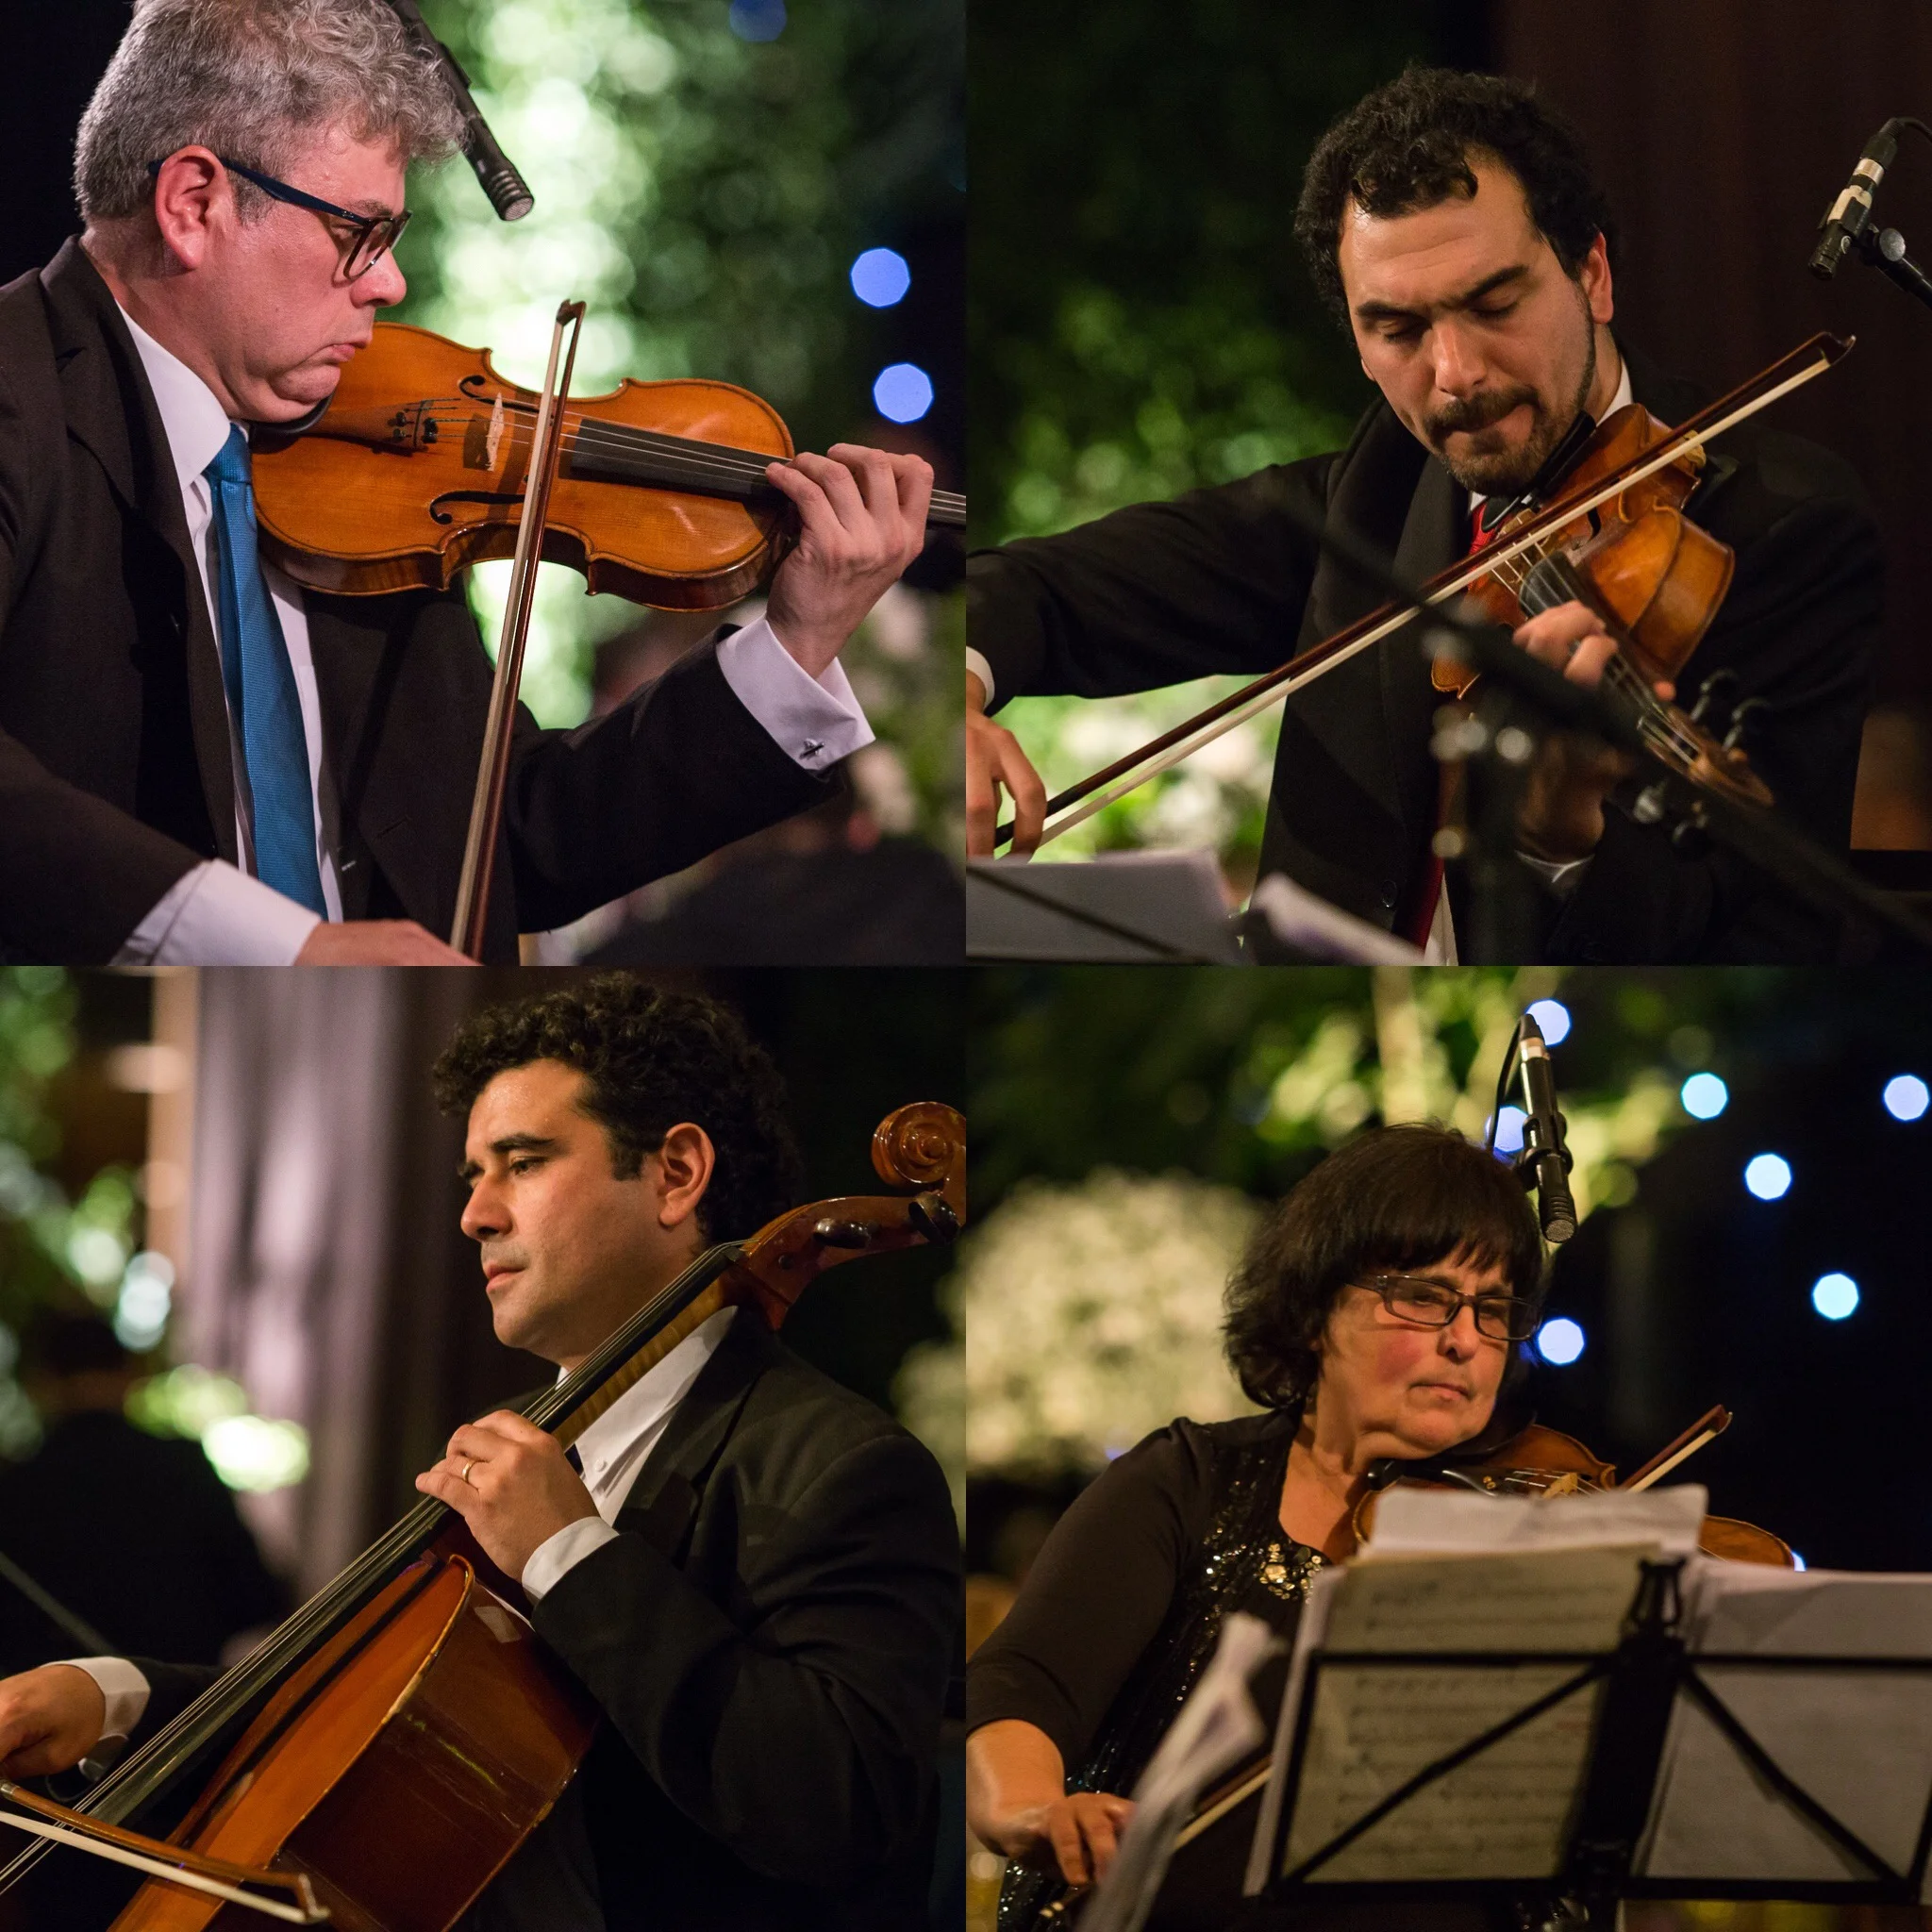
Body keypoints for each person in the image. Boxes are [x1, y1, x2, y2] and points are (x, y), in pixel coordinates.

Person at [0, 977, 961, 1930]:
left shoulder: (847, 1467)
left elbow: (838, 1808)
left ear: (675, 1173)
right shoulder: (512, 1431)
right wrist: (112, 1697)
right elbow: (333, 1706)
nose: (476, 1214)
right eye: (474, 1176)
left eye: (523, 1162)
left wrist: (570, 1554)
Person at [0, 0, 936, 965]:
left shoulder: (371, 473)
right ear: (194, 205)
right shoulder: (15, 393)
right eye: (359, 234)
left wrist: (799, 641)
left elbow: (511, 836)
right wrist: (290, 950)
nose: (389, 283)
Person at [967, 67, 1881, 964]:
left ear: (1592, 275)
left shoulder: (1776, 528)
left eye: (1494, 304)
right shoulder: (1382, 486)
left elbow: (1771, 937)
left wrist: (1558, 843)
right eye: (1398, 330)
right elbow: (1047, 590)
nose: (1454, 374)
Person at [965, 1124, 1545, 1931]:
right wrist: (1034, 1810)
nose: (1465, 1341)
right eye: (1424, 1297)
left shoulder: (1528, 1532)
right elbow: (1022, 1686)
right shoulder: (1187, 1486)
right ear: (1316, 1311)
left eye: (1492, 1308)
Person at [0, 1311, 286, 1678]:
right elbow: (255, 1596)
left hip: (55, 1706)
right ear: (129, 1374)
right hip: (184, 1703)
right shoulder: (182, 1467)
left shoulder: (15, 1489)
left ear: (42, 1382)